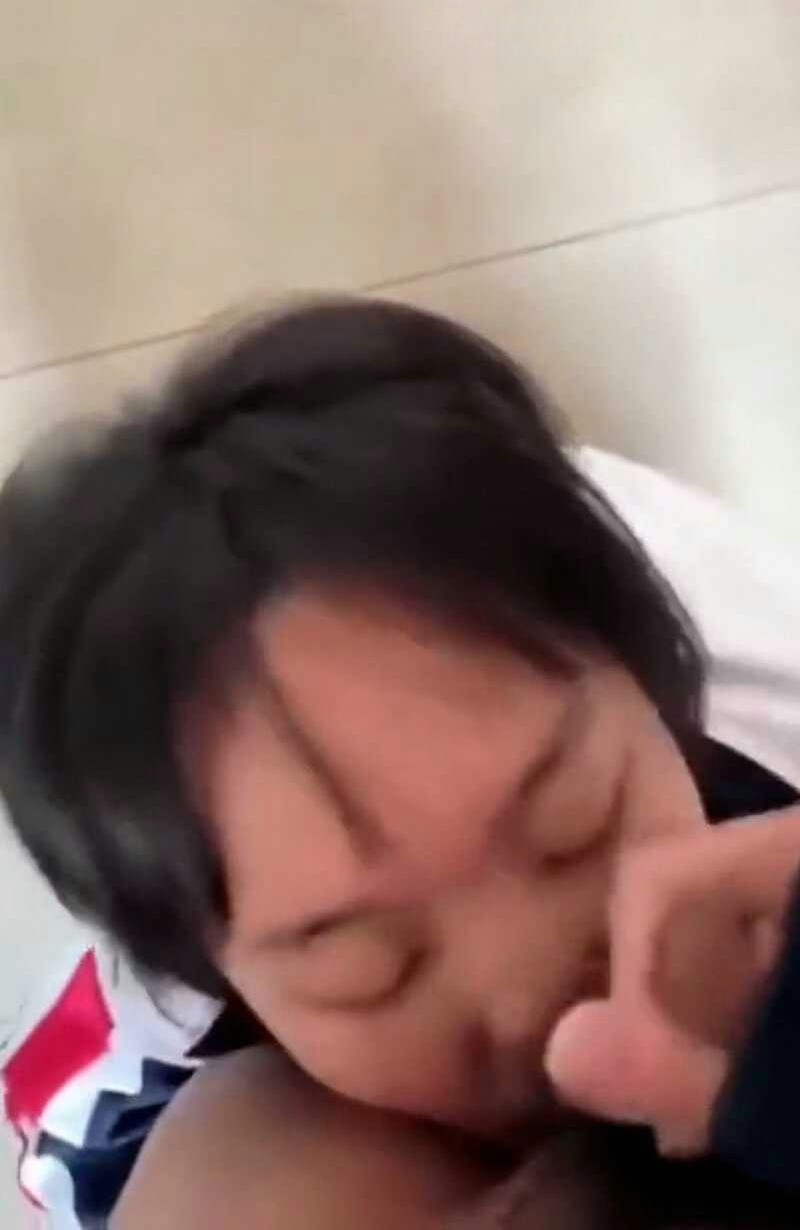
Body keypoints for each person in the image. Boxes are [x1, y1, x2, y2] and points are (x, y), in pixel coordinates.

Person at [2, 298, 800, 1226]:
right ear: (221, 976)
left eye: (575, 825)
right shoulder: (219, 1138)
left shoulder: (751, 671)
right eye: (369, 966)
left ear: (658, 693)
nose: (530, 994)